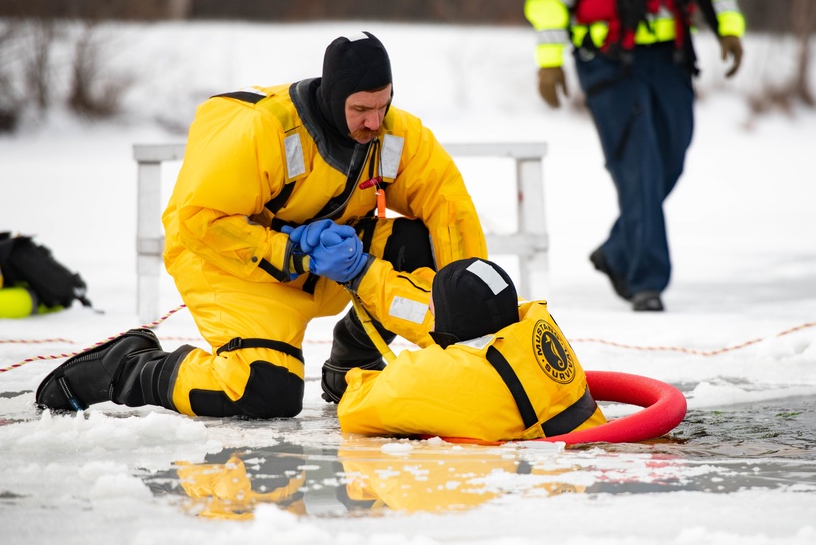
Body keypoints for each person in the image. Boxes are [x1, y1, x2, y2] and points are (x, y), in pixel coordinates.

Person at [36, 30, 487, 418]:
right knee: (264, 392)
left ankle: (352, 364)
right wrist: (291, 250)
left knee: (419, 245)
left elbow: (450, 209)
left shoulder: (394, 135)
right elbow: (200, 221)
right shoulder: (267, 130)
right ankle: (129, 367)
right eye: (360, 109)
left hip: (329, 265)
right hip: (231, 265)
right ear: (333, 98)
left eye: (383, 106)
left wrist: (470, 311)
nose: (374, 121)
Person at [524, 0, 745, 311]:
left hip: (669, 55)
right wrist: (549, 62)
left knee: (672, 158)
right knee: (639, 165)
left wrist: (729, 29)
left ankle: (616, 252)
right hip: (606, 58)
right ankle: (646, 283)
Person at [337, 257, 607, 442]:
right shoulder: (535, 322)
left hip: (536, 477)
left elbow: (355, 410)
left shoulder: (435, 376)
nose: (429, 317)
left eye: (432, 309)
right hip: (588, 442)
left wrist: (354, 377)